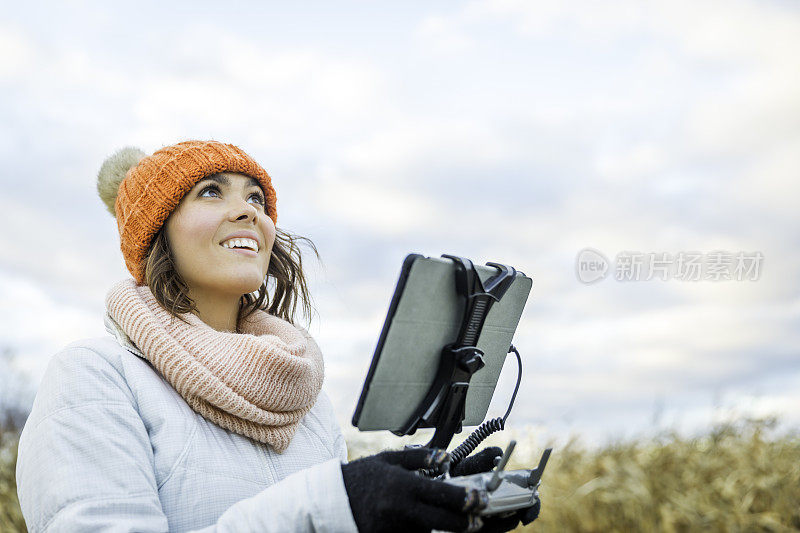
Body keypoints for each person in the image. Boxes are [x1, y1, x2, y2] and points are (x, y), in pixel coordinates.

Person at [15, 140, 538, 532]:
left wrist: (434, 513)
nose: (249, 211)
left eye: (257, 199)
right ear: (156, 232)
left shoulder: (305, 398)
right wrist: (336, 501)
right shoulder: (95, 376)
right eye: (210, 191)